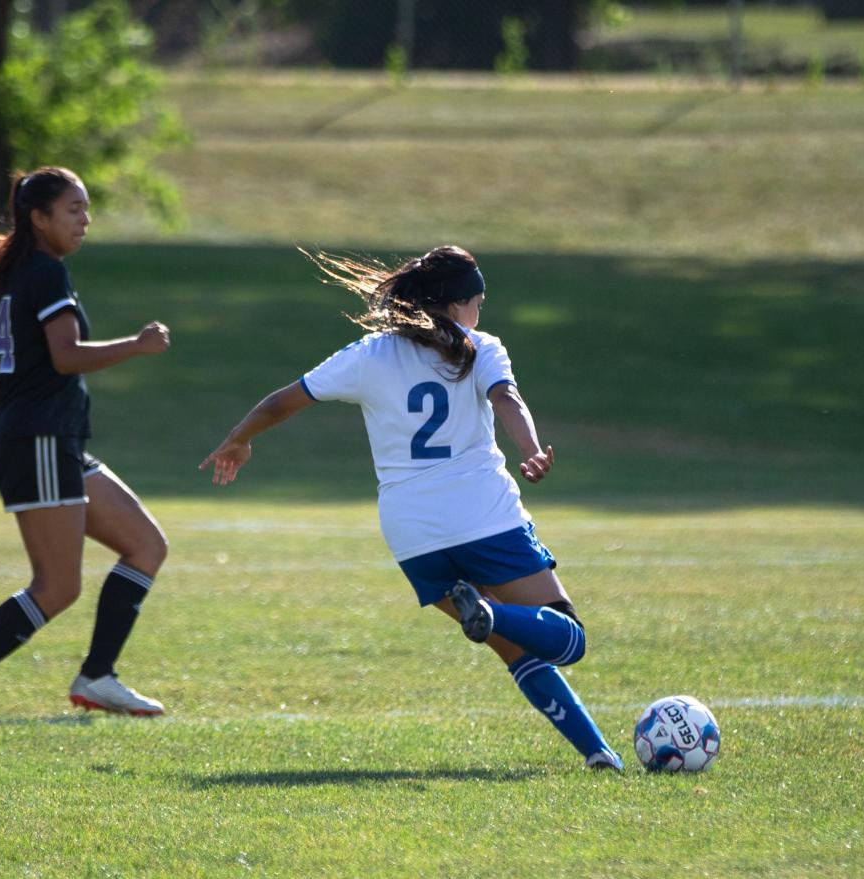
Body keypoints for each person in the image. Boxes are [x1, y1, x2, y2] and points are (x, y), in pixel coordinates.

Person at [199, 246, 626, 771]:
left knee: (512, 643)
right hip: (482, 515)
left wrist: (238, 441)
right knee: (567, 637)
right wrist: (531, 450)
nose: (480, 314)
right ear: (458, 303)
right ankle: (494, 617)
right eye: (478, 302)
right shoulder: (479, 346)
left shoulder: (368, 354)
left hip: (412, 535)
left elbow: (281, 401)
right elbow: (506, 399)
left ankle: (598, 753)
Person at [0, 166, 171, 719]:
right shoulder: (44, 275)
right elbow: (66, 356)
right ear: (39, 218)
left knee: (146, 545)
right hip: (36, 438)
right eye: (73, 209)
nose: (85, 220)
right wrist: (137, 344)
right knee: (57, 587)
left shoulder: (8, 276)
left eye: (85, 208)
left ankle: (98, 676)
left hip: (52, 439)